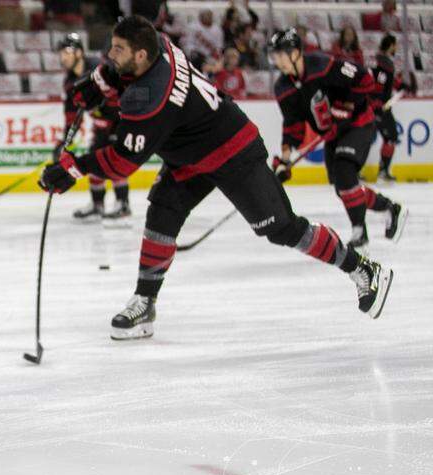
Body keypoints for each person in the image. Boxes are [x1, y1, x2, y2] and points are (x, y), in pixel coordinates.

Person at [39, 17, 395, 341]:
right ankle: (145, 301)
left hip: (232, 150)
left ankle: (361, 267)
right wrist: (97, 82)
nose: (110, 55)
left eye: (118, 50)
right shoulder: (157, 44)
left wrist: (72, 168)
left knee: (282, 228)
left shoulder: (150, 97)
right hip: (190, 155)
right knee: (162, 211)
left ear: (142, 54)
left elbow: (123, 162)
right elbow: (124, 65)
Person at [270, 28, 407, 250]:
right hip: (333, 133)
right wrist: (285, 158)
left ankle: (359, 231)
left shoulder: (323, 65)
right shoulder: (283, 88)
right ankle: (389, 208)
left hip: (358, 123)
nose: (277, 60)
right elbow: (293, 126)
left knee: (344, 171)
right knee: (343, 187)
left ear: (295, 53)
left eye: (281, 54)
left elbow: (364, 79)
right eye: (274, 56)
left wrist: (348, 104)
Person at [56, 32, 130, 219]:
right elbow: (72, 115)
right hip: (101, 125)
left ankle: (123, 204)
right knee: (94, 158)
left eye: (66, 52)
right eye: (61, 53)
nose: (62, 57)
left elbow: (121, 90)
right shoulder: (69, 81)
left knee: (114, 160)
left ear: (79, 53)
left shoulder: (99, 67)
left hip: (120, 121)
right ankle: (98, 204)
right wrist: (65, 142)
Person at [371, 33, 401, 183]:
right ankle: (383, 171)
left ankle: (383, 170)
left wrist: (400, 84)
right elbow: (379, 84)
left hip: (382, 107)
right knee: (391, 136)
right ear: (391, 45)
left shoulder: (384, 62)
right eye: (395, 44)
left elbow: (388, 82)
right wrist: (377, 106)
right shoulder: (383, 63)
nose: (397, 48)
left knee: (390, 137)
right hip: (381, 108)